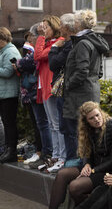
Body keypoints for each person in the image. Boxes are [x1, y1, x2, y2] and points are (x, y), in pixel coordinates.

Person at [40, 101, 112, 209]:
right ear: (86, 121)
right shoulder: (87, 130)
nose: (96, 120)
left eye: (97, 115)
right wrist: (86, 163)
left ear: (101, 113)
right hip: (93, 167)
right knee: (63, 174)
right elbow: (86, 152)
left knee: (75, 186)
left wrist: (92, 170)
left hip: (107, 171)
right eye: (91, 118)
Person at [62, 9, 109, 165]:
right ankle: (87, 163)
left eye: (75, 21)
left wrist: (68, 84)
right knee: (90, 130)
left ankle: (82, 164)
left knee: (80, 130)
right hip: (92, 89)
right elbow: (99, 71)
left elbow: (82, 70)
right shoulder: (96, 41)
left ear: (79, 24)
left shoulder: (82, 43)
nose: (74, 24)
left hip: (80, 93)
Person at [15, 30, 53, 166]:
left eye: (31, 36)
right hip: (33, 92)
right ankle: (42, 152)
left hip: (37, 90)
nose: (29, 40)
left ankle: (45, 153)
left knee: (44, 124)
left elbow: (27, 62)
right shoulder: (34, 48)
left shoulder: (43, 47)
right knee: (39, 123)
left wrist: (19, 63)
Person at [34, 16, 65, 172]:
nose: (44, 30)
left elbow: (38, 55)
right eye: (43, 28)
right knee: (53, 125)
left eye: (46, 27)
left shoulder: (57, 42)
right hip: (45, 87)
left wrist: (40, 37)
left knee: (57, 124)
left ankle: (61, 157)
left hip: (51, 87)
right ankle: (55, 155)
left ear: (54, 27)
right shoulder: (50, 43)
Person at [49, 13, 77, 166]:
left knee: (69, 128)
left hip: (66, 91)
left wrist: (53, 48)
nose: (59, 28)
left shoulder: (69, 45)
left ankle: (70, 160)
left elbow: (53, 64)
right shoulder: (66, 44)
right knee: (64, 126)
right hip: (62, 91)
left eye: (60, 25)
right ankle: (66, 159)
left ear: (66, 27)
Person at [0, 27, 22, 163]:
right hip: (3, 94)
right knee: (7, 123)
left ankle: (11, 151)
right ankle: (7, 149)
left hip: (9, 94)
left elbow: (8, 72)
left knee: (9, 124)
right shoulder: (3, 51)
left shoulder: (10, 51)